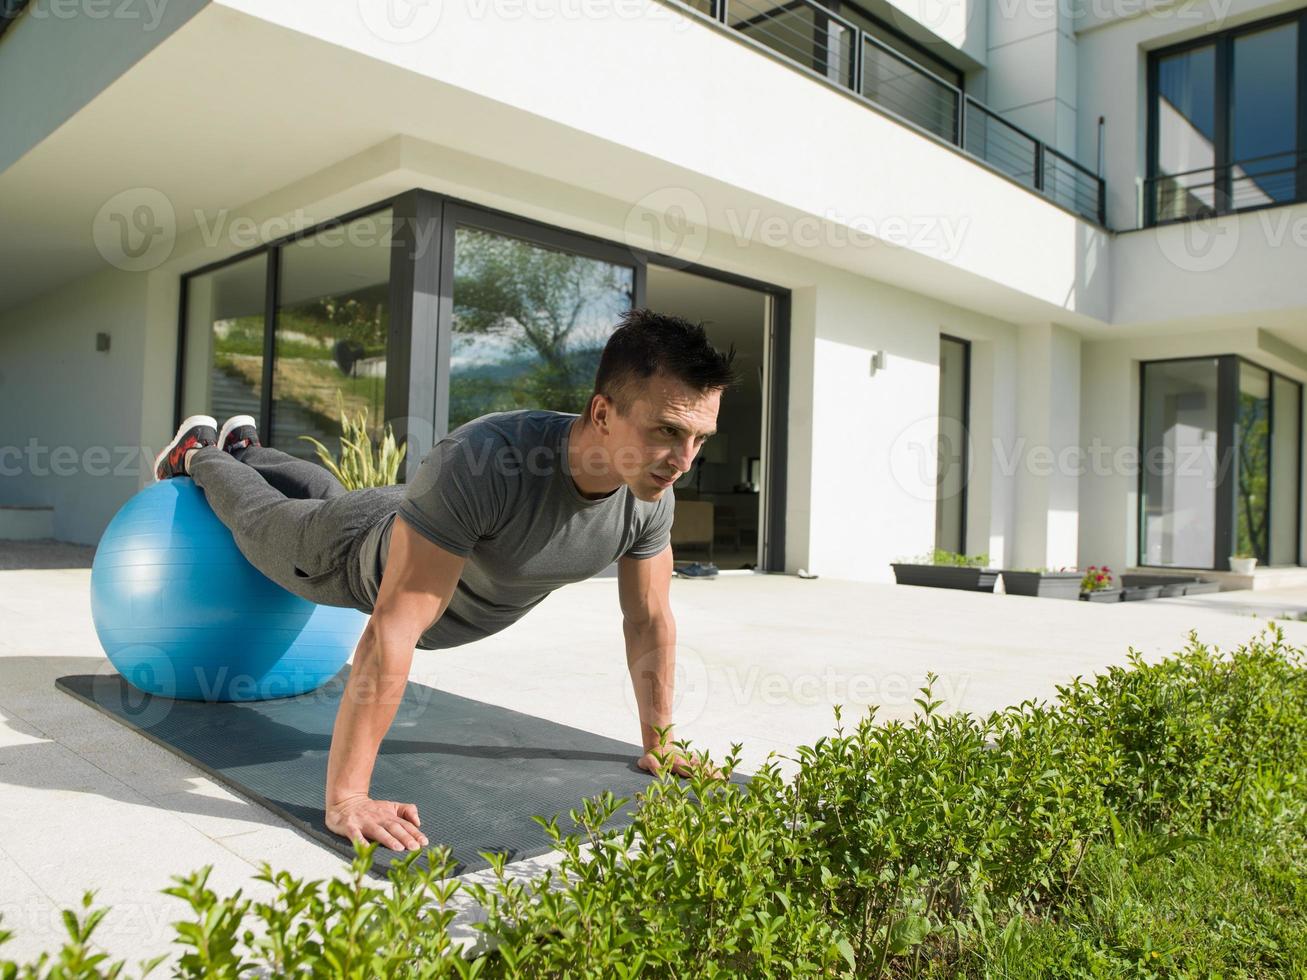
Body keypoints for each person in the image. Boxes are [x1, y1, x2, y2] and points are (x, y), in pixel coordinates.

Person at [153, 309, 736, 851]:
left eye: (698, 439)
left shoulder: (649, 496)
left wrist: (661, 743)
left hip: (418, 517)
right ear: (604, 413)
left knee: (325, 492)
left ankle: (248, 448)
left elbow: (650, 618)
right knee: (265, 522)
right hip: (349, 553)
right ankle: (201, 456)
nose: (684, 459)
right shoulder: (487, 460)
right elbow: (394, 625)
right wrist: (348, 797)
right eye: (666, 431)